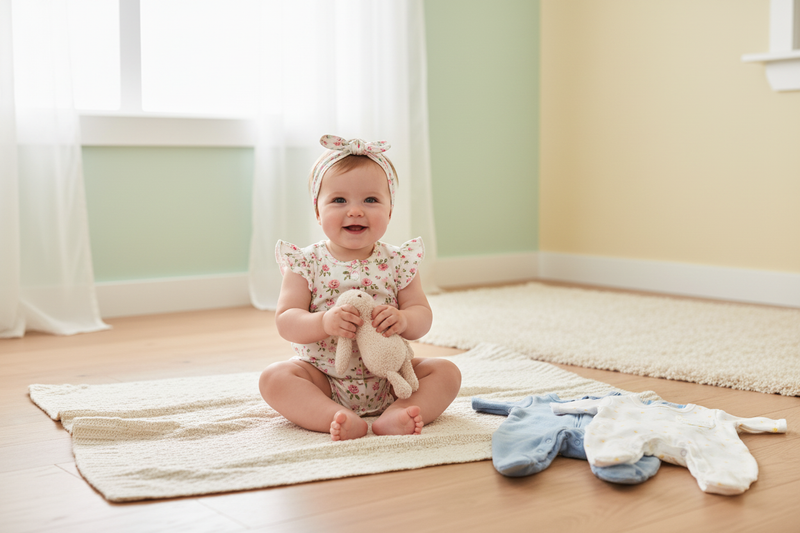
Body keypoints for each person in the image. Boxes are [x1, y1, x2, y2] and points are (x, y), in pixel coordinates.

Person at [259, 135, 462, 441]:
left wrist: (405, 320)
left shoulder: (398, 261)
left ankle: (397, 413)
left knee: (447, 372)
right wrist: (324, 321)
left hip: (392, 379)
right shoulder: (306, 263)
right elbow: (287, 320)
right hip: (325, 378)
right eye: (339, 200)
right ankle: (334, 415)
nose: (355, 211)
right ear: (318, 211)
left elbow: (422, 314)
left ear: (390, 210)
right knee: (274, 378)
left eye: (371, 200)